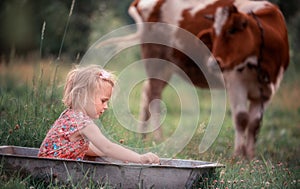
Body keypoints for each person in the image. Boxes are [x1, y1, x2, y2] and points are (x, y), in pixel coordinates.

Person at [38, 64, 160, 164]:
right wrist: (139, 158)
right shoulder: (83, 123)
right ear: (83, 96)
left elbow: (89, 149)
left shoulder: (69, 115)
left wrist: (120, 155)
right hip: (52, 170)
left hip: (44, 166)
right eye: (103, 101)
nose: (106, 107)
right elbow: (107, 147)